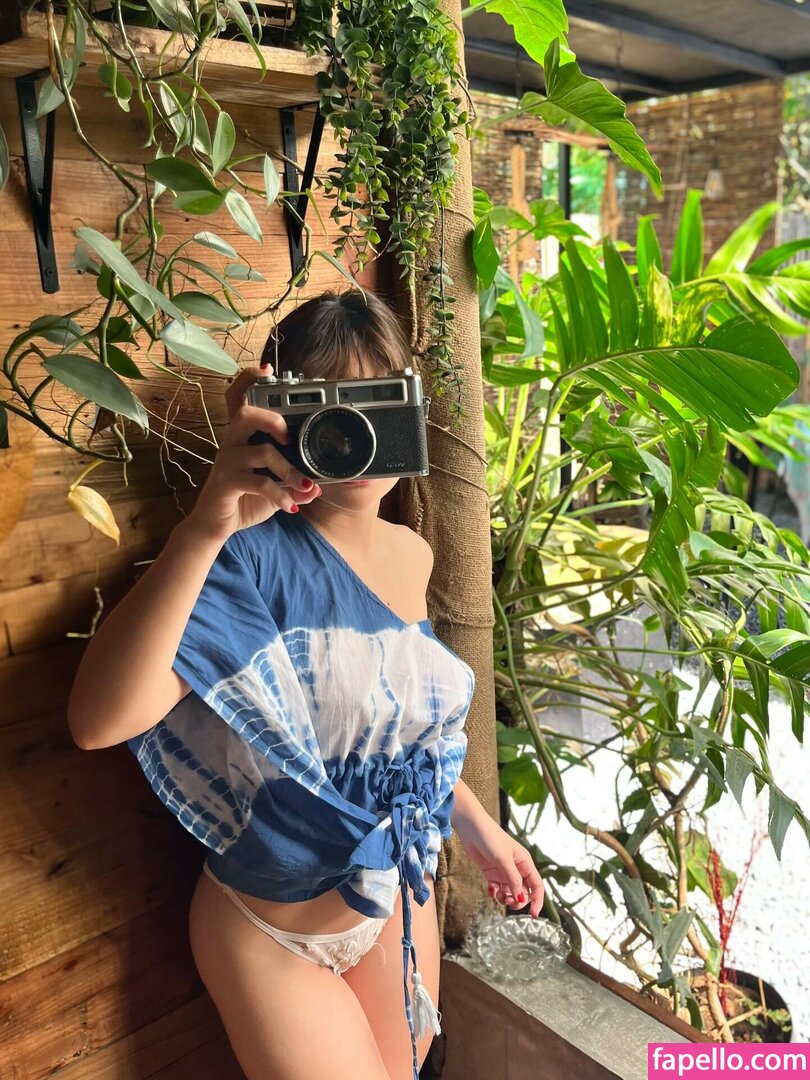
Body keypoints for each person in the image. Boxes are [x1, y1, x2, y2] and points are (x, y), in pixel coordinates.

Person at [68, 289, 545, 1080]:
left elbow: (397, 736)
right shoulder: (247, 557)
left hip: (392, 895)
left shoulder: (412, 553)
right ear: (279, 415)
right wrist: (208, 525)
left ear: (412, 405)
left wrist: (478, 827)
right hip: (270, 930)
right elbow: (98, 722)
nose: (356, 434)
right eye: (328, 408)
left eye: (378, 401)